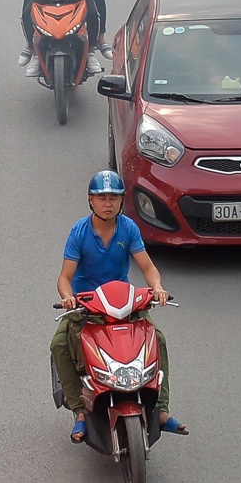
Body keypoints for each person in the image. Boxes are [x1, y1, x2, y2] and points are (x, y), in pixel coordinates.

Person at [52, 171, 181, 442]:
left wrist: (157, 287)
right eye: (101, 198)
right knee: (60, 346)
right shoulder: (79, 232)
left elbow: (148, 267)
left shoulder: (129, 229)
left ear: (122, 201)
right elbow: (65, 278)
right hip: (88, 308)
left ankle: (161, 409)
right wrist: (68, 297)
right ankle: (80, 412)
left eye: (114, 198)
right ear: (91, 201)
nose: (107, 203)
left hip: (124, 304)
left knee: (157, 340)